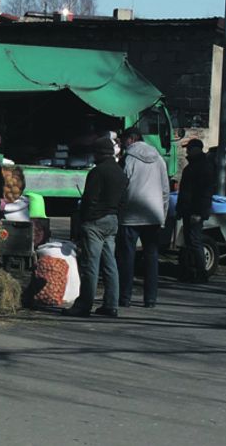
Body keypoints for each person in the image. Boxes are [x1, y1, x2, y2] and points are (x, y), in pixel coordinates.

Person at [63, 136, 127, 318]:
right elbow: (123, 200)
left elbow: (89, 200)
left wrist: (83, 221)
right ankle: (111, 304)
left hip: (95, 222)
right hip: (112, 220)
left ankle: (84, 305)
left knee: (91, 265)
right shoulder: (120, 173)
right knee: (110, 264)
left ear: (99, 153)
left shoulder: (97, 172)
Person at [116, 127, 170, 308]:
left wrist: (119, 209)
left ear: (130, 139)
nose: (122, 144)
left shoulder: (128, 159)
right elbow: (165, 190)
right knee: (152, 257)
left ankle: (125, 297)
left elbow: (122, 187)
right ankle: (151, 299)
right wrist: (162, 214)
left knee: (127, 258)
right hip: (153, 215)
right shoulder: (159, 159)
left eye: (123, 141)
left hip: (131, 214)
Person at [176, 139, 216, 282]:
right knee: (190, 242)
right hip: (189, 210)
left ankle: (201, 273)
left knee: (194, 241)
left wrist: (199, 213)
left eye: (189, 148)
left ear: (197, 149)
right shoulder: (194, 166)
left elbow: (204, 193)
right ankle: (190, 272)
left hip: (194, 211)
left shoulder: (202, 167)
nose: (187, 151)